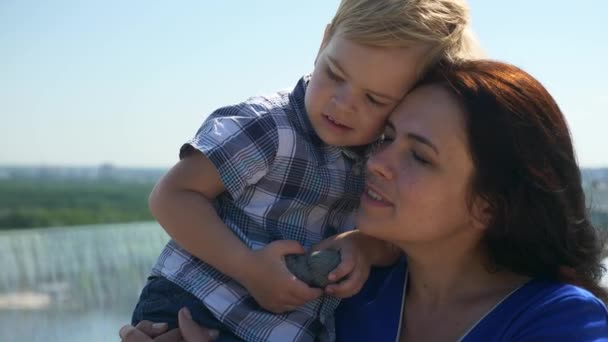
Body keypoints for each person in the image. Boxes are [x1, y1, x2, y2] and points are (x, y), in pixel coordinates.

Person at [122, 60, 608, 341]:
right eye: (387, 137)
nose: (376, 162)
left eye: (419, 155)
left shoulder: (561, 321)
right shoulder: (348, 296)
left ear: (489, 204)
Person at [131, 1, 480, 341]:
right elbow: (172, 196)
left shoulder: (385, 158)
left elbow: (392, 244)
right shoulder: (269, 127)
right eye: (335, 74)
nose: (343, 104)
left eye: (374, 99)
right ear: (324, 41)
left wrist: (362, 246)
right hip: (199, 304)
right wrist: (248, 268)